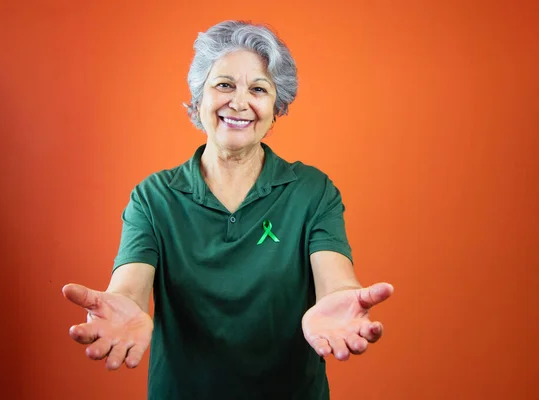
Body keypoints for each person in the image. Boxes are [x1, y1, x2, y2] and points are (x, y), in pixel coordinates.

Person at [62, 20, 394, 400]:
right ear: (199, 97)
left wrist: (342, 300)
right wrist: (120, 306)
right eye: (224, 85)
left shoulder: (312, 191)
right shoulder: (153, 197)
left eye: (258, 89)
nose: (239, 102)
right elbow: (130, 289)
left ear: (276, 106)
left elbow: (336, 280)